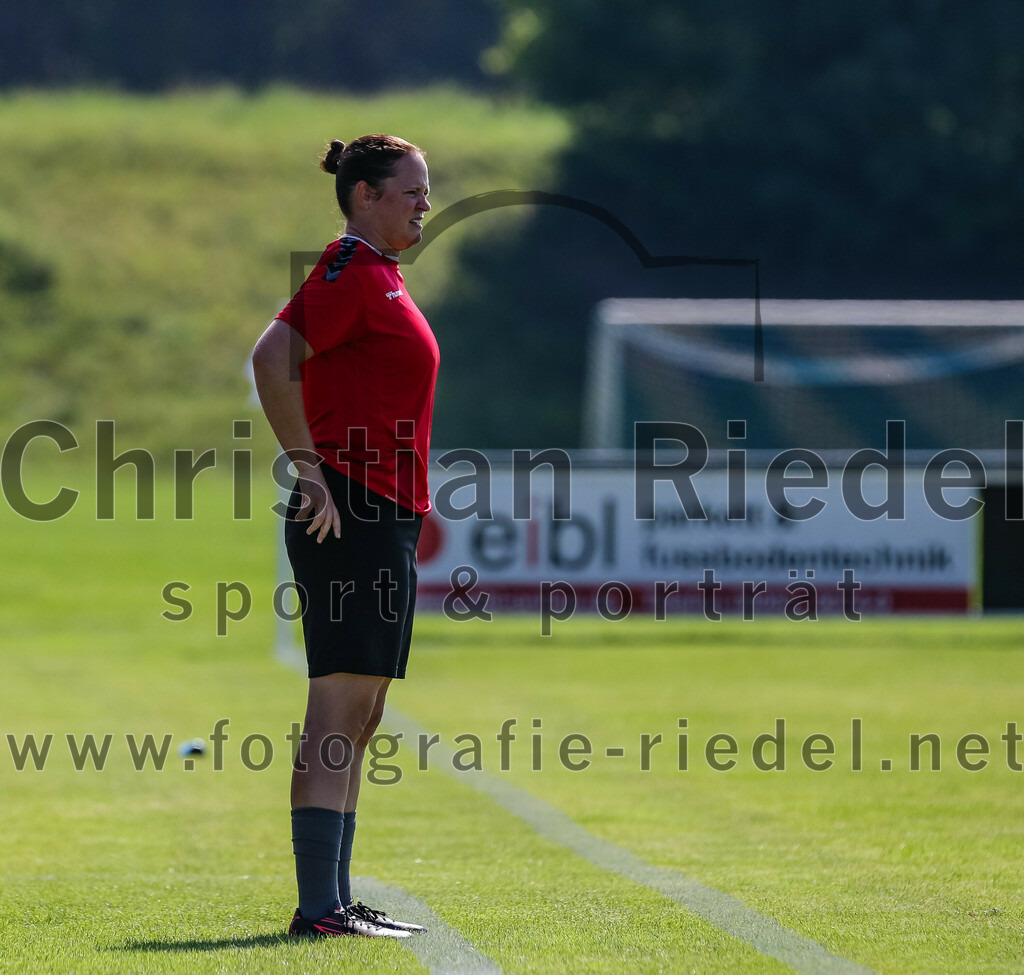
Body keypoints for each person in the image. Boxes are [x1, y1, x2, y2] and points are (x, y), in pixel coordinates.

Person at [251, 134, 439, 939]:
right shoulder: (350, 269)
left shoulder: (383, 279)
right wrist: (312, 471)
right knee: (337, 707)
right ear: (365, 194)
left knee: (361, 710)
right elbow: (272, 356)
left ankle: (335, 898)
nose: (425, 203)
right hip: (349, 511)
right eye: (411, 191)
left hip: (382, 512)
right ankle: (317, 907)